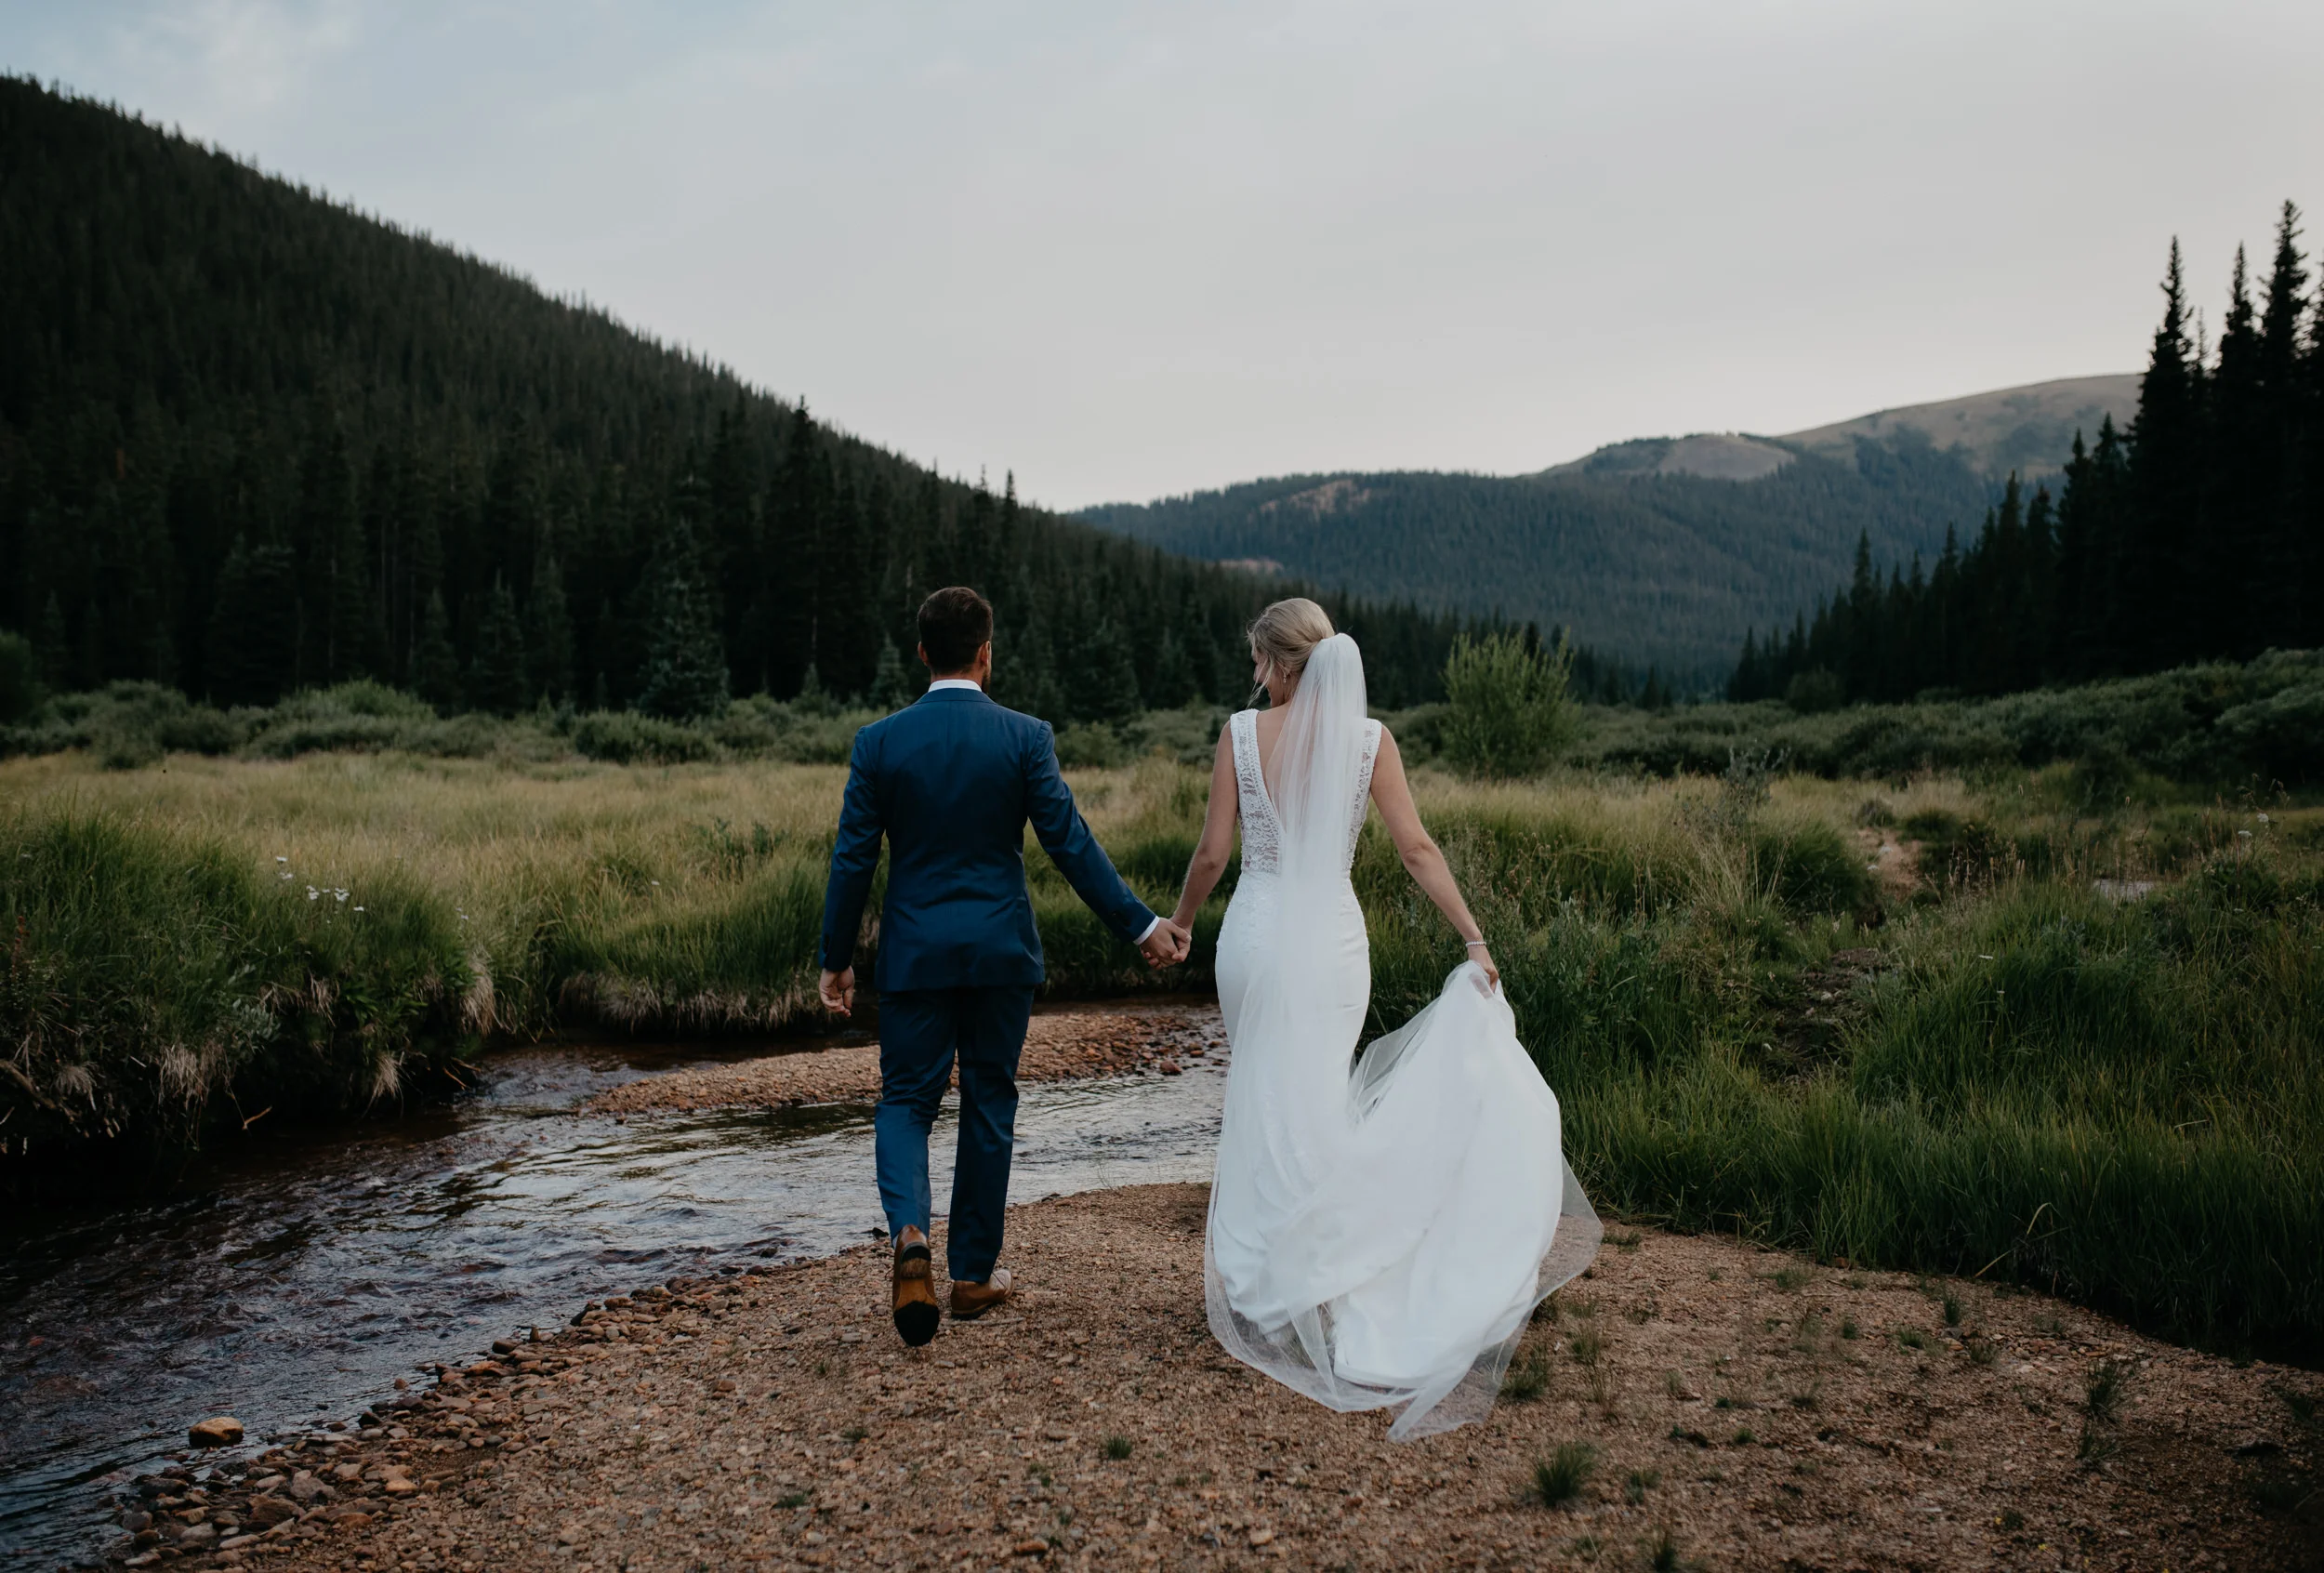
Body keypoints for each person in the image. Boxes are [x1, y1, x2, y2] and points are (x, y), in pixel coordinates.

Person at [1165, 597, 1598, 1438]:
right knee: (1318, 1094)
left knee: (1259, 1094)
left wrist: (1180, 923)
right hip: (1330, 941)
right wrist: (1473, 937)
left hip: (1254, 937)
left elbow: (1214, 853)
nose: (1253, 676)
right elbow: (1415, 849)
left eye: (1259, 660)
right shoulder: (1371, 741)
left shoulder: (1239, 735)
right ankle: (1317, 1274)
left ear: (1283, 664)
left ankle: (1265, 1284)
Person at [819, 586, 1190, 1346]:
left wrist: (835, 959)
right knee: (989, 1102)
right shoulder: (1024, 737)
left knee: (906, 1103)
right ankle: (974, 1276)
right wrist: (1142, 925)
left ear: (921, 653)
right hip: (1000, 955)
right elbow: (1070, 844)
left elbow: (852, 859)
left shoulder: (878, 743)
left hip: (915, 956)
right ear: (987, 654)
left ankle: (911, 1236)